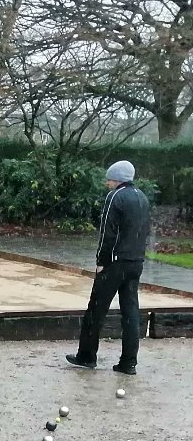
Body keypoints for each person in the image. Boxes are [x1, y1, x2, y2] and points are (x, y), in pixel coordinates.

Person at [66, 160, 151, 375]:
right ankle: (128, 362)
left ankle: (86, 356)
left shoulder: (115, 197)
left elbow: (107, 233)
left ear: (118, 179)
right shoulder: (142, 197)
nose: (107, 183)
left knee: (96, 309)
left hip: (114, 263)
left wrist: (101, 262)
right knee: (130, 312)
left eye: (110, 179)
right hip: (136, 262)